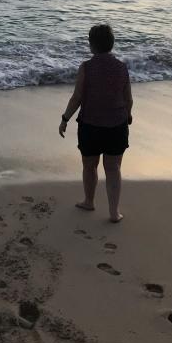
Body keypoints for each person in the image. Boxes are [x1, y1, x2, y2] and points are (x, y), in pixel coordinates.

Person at [59, 24, 132, 223]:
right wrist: (129, 115)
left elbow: (77, 98)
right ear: (111, 44)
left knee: (89, 165)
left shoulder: (86, 68)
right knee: (113, 168)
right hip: (117, 125)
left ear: (92, 45)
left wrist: (65, 118)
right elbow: (128, 99)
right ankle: (114, 212)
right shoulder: (121, 67)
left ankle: (89, 201)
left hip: (90, 126)